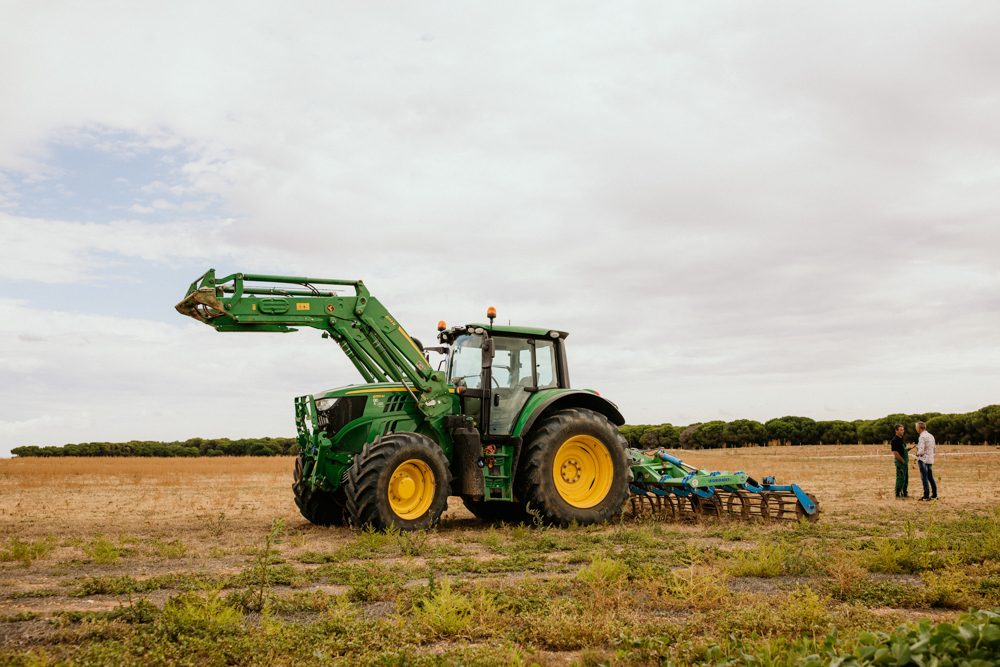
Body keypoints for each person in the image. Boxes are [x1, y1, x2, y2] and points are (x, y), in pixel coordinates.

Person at [915, 421, 938, 501]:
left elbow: (921, 450)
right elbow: (934, 449)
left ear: (919, 428)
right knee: (930, 477)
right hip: (930, 459)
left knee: (924, 477)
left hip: (923, 459)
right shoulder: (931, 436)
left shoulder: (922, 437)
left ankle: (926, 495)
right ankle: (934, 494)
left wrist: (917, 454)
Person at [890, 424, 911, 499]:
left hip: (905, 462)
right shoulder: (895, 440)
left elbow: (903, 450)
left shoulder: (902, 439)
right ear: (896, 430)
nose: (903, 431)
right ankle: (898, 494)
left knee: (905, 478)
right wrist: (902, 461)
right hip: (900, 462)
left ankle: (904, 492)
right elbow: (895, 452)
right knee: (900, 478)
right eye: (901, 430)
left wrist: (909, 448)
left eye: (903, 429)